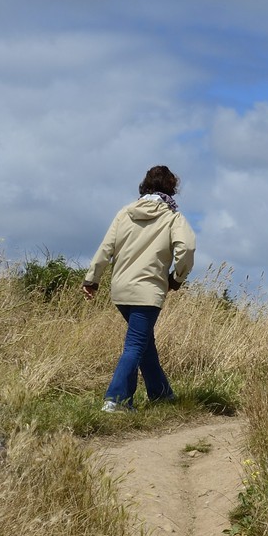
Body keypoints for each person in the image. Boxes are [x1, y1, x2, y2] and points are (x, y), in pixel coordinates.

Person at [81, 165, 197, 412]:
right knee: (135, 345)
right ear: (171, 187)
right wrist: (177, 278)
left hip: (121, 290)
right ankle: (117, 400)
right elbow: (186, 248)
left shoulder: (125, 213)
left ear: (144, 186)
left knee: (144, 343)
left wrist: (92, 280)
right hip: (148, 292)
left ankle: (161, 394)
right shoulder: (172, 217)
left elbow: (105, 248)